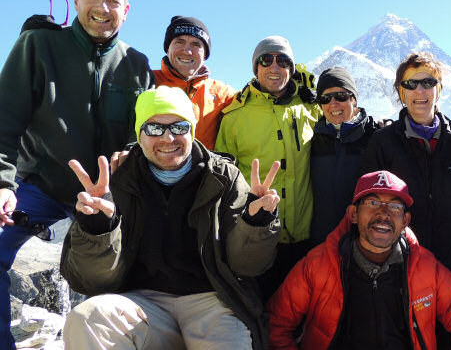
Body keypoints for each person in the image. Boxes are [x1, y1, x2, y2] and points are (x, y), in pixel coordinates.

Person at [0, 0, 153, 349]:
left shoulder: (137, 65)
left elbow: (145, 136)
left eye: (113, 1)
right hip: (42, 187)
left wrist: (129, 154)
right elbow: (5, 119)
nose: (103, 7)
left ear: (127, 9)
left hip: (107, 196)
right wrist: (2, 183)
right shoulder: (38, 46)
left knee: (143, 267)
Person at [61, 86, 280, 350]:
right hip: (141, 303)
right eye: (154, 128)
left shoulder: (223, 176)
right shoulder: (117, 179)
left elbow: (248, 266)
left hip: (212, 302)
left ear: (193, 132)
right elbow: (89, 281)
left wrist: (256, 225)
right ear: (139, 135)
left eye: (179, 127)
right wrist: (97, 228)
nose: (168, 137)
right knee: (87, 318)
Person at [267, 170, 451, 350]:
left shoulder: (427, 268)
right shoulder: (317, 265)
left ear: (405, 221)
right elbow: (276, 325)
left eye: (395, 206)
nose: (384, 214)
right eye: (372, 203)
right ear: (353, 215)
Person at [215, 36, 321, 299]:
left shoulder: (311, 108)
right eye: (266, 59)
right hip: (258, 235)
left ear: (292, 68)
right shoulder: (234, 117)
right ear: (256, 67)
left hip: (307, 235)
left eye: (283, 61)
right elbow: (223, 182)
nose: (275, 67)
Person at [360, 52, 451, 288]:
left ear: (439, 89)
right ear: (401, 93)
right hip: (401, 267)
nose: (420, 91)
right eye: (411, 84)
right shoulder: (383, 142)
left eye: (429, 83)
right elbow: (368, 205)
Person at [309, 67, 381, 246]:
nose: (333, 103)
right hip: (322, 242)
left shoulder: (376, 137)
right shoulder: (313, 140)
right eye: (326, 98)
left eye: (341, 96)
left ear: (354, 99)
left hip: (364, 243)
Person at [153, 16, 236, 150]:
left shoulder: (223, 93)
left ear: (205, 55)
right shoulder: (146, 81)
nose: (187, 51)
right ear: (168, 49)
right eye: (179, 42)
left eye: (196, 44)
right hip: (153, 169)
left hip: (204, 169)